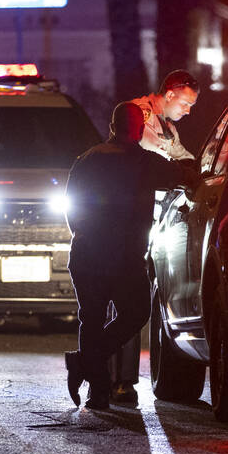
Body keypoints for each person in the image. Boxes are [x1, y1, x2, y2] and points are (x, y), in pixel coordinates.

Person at [63, 102, 191, 411]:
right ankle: (87, 369)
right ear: (137, 129)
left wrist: (84, 234)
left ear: (112, 126)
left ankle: (95, 388)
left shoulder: (88, 159)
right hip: (125, 257)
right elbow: (186, 176)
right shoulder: (146, 162)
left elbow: (72, 206)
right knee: (136, 313)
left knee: (91, 320)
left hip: (88, 253)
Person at [108, 69, 202, 403]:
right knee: (124, 301)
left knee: (133, 299)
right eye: (187, 102)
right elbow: (151, 156)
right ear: (172, 92)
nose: (189, 110)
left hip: (149, 221)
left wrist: (203, 169)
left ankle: (116, 377)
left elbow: (180, 157)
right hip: (130, 221)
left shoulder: (167, 127)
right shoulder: (142, 115)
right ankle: (113, 377)